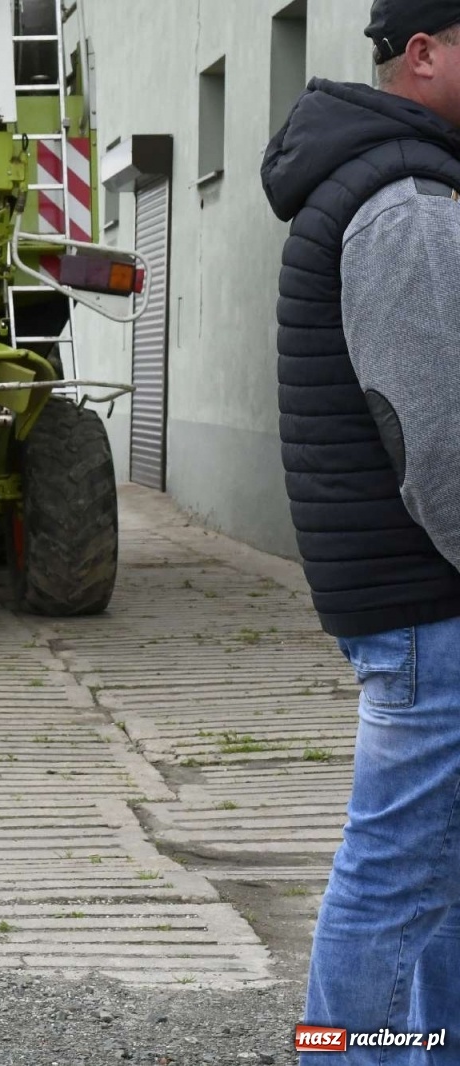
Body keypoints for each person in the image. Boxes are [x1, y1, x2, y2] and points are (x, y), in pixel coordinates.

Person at [263, 1, 460, 1058]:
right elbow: (439, 437)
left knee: (436, 876)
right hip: (431, 604)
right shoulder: (407, 201)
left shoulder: (397, 181)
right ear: (422, 54)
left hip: (415, 601)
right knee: (392, 881)